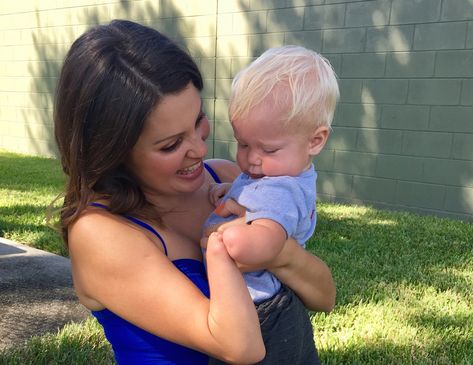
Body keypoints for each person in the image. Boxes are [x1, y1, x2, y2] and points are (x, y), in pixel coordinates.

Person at [53, 19, 336, 365]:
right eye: (172, 144)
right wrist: (222, 248)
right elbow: (240, 346)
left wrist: (278, 253)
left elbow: (324, 296)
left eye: (199, 124)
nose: (199, 151)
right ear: (113, 151)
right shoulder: (101, 232)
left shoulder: (228, 177)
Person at [203, 45, 339, 364]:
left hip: (264, 315)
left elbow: (266, 242)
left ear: (315, 141)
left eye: (269, 149)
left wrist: (228, 241)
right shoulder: (271, 174)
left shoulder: (282, 188)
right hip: (266, 306)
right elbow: (253, 194)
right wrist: (232, 191)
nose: (252, 158)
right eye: (243, 143)